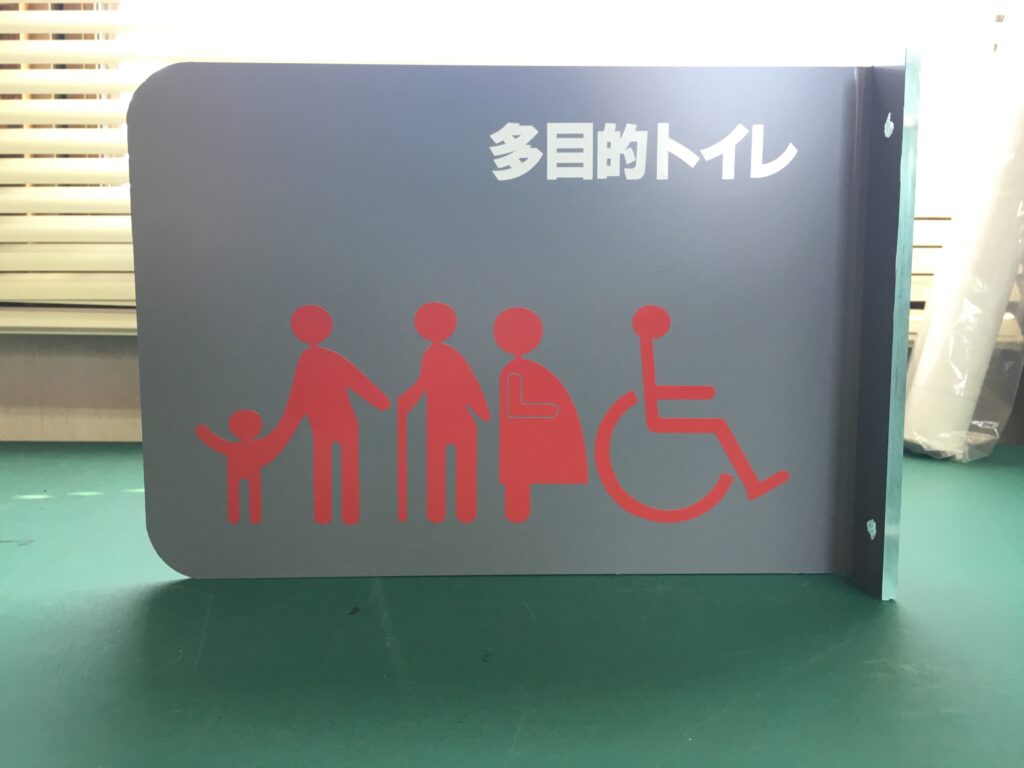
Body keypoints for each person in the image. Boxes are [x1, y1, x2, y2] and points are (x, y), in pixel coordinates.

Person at [632, 305, 789, 499]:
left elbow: (657, 390)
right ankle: (752, 483)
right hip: (656, 418)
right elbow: (655, 392)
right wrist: (700, 392)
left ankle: (753, 483)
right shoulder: (647, 347)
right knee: (718, 426)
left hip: (656, 412)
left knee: (718, 426)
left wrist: (700, 392)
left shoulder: (648, 347)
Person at [271, 305, 391, 525]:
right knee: (335, 467)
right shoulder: (319, 359)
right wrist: (380, 401)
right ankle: (341, 513)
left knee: (330, 467)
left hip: (330, 424)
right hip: (333, 423)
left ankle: (331, 513)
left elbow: (298, 398)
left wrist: (286, 428)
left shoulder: (311, 360)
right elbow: (301, 397)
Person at [398, 302, 490, 523]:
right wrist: (408, 399)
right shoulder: (437, 354)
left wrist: (408, 399)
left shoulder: (439, 354)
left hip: (451, 421)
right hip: (444, 422)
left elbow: (465, 384)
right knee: (443, 466)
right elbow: (429, 383)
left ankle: (454, 512)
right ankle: (449, 512)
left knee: (450, 466)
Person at [493, 307, 587, 522]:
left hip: (523, 438)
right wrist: (550, 408)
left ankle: (521, 518)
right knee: (520, 480)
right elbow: (515, 407)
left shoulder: (521, 368)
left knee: (523, 479)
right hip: (519, 439)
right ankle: (518, 518)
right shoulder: (514, 371)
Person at [195, 409, 286, 525]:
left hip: (247, 471)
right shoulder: (242, 447)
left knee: (250, 491)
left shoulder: (239, 447)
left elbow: (218, 444)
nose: (245, 431)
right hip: (239, 471)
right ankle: (241, 516)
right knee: (240, 491)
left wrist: (203, 433)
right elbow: (218, 443)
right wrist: (203, 433)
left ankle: (249, 516)